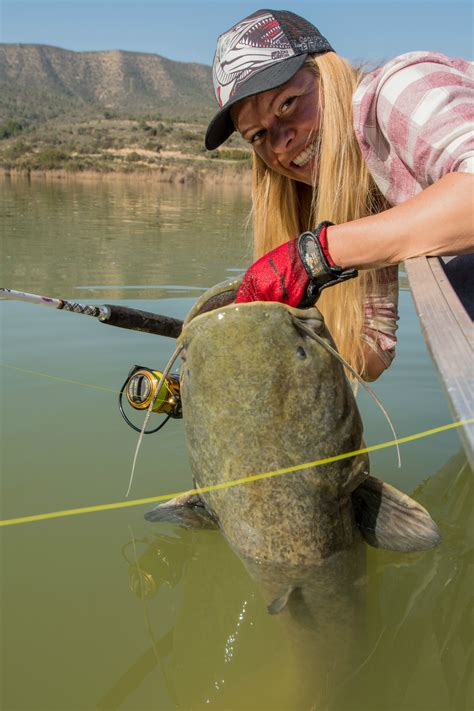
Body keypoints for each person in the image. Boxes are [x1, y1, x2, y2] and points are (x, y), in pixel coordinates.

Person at [204, 9, 474, 381]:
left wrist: (317, 255)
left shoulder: (399, 87)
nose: (281, 141)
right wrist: (265, 358)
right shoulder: (362, 191)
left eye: (287, 103)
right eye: (259, 136)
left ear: (327, 73)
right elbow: (372, 348)